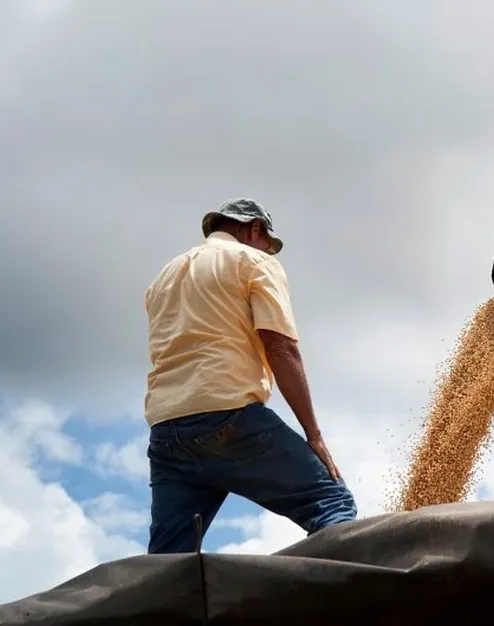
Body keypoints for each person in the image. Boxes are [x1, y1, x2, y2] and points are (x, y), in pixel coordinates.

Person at [142, 197, 357, 554]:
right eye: (267, 244)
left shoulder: (162, 279)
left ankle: (159, 610)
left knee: (167, 561)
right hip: (229, 418)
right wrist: (314, 436)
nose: (268, 252)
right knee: (332, 503)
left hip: (167, 433)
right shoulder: (251, 261)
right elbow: (280, 348)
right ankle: (337, 606)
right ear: (253, 229)